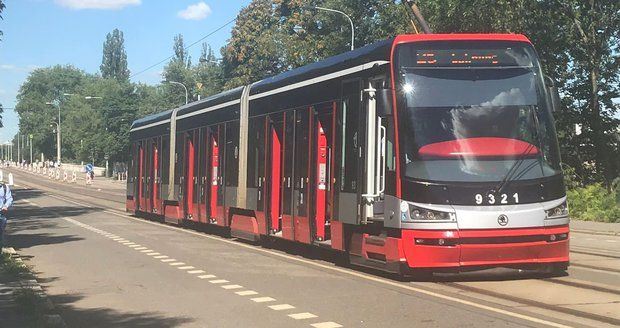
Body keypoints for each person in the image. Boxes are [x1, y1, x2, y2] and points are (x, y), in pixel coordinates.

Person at [0, 179, 14, 250]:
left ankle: (2, 247)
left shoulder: (4, 187)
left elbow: (9, 199)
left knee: (1, 229)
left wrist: (6, 206)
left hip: (2, 212)